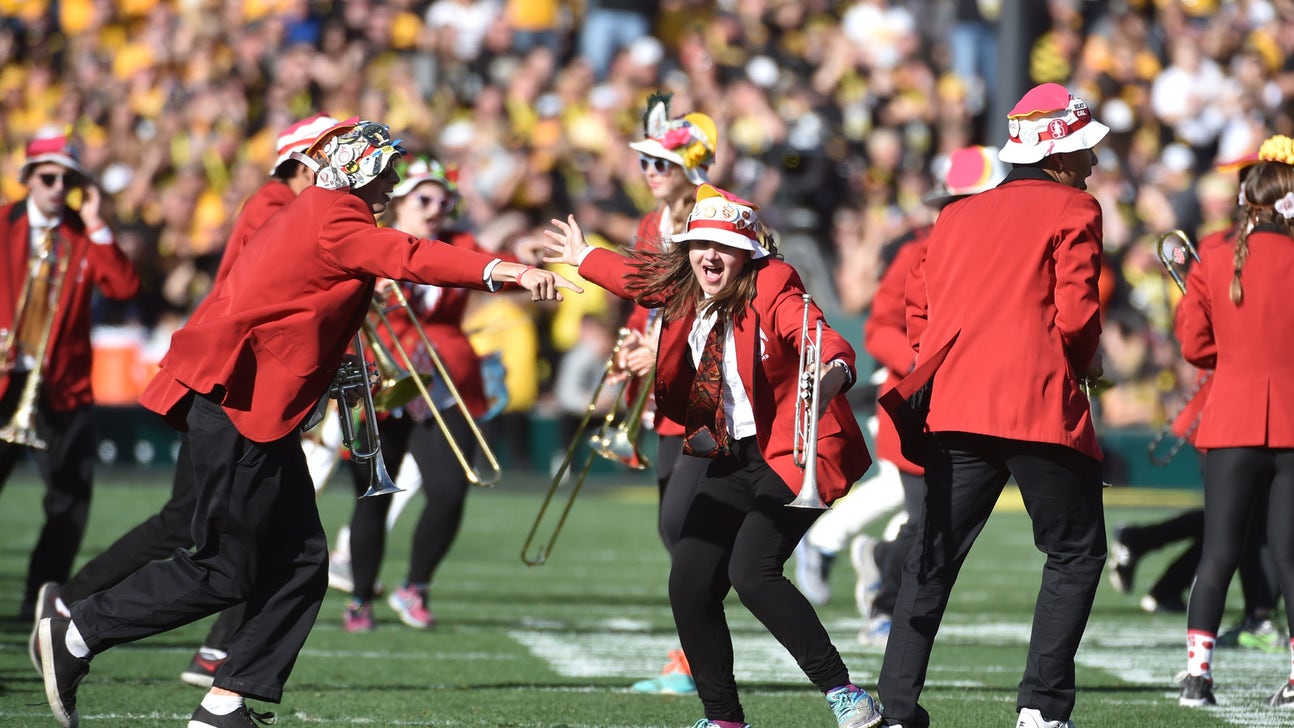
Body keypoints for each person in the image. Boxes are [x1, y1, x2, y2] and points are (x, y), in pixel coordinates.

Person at [37, 119, 579, 728]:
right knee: (224, 568)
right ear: (358, 171)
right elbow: (409, 255)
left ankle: (226, 703)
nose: (395, 184)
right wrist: (509, 271)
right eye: (386, 171)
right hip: (239, 406)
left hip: (250, 408)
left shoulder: (315, 212)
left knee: (300, 563)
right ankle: (78, 631)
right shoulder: (335, 216)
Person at [545, 184, 883, 728]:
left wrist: (832, 376)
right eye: (701, 242)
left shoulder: (773, 283)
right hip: (730, 454)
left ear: (748, 254)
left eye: (724, 245)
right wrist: (583, 255)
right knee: (689, 580)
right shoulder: (682, 284)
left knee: (753, 572)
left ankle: (846, 694)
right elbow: (634, 279)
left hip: (794, 448)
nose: (709, 254)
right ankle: (723, 718)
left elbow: (821, 339)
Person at [27, 112, 339, 689]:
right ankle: (77, 617)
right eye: (336, 151)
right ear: (306, 162)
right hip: (231, 388)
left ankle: (206, 669)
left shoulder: (291, 205)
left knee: (249, 539)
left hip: (238, 388)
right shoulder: (279, 207)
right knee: (222, 546)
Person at [876, 83, 1110, 728]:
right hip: (1038, 403)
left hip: (957, 405)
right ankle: (1041, 707)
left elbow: (921, 315)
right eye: (1085, 152)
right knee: (1076, 552)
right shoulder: (1075, 208)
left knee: (930, 561)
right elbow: (1076, 316)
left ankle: (894, 709)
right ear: (1058, 155)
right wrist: (1088, 364)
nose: (1093, 164)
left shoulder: (954, 217)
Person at [796, 146, 1006, 651]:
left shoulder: (1000, 254)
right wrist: (924, 360)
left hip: (970, 403)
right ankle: (882, 601)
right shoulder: (919, 251)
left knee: (934, 519)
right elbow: (880, 328)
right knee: (925, 516)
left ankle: (875, 563)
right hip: (917, 405)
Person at [338, 155, 539, 632]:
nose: (436, 208)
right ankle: (361, 596)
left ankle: (416, 586)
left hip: (444, 384)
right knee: (373, 495)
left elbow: (495, 271)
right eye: (424, 198)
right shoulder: (369, 241)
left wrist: (529, 263)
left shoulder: (460, 243)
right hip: (383, 380)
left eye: (444, 200)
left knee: (449, 491)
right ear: (400, 201)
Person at [1172, 135, 1294, 710]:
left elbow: (1195, 345)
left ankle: (1198, 676)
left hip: (1232, 420)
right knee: (1289, 553)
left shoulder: (1216, 256)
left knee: (1218, 552)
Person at [0, 127, 140, 621]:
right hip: (5, 379)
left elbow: (122, 285)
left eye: (69, 179)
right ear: (28, 179)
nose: (58, 188)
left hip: (62, 384)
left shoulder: (84, 234)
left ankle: (39, 600)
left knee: (70, 502)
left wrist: (100, 224)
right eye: (48, 177)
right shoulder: (2, 224)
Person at [617, 92, 719, 695]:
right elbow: (643, 301)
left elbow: (715, 307)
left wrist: (655, 348)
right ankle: (696, 650)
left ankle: (692, 658)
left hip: (706, 387)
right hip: (661, 391)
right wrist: (626, 358)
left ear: (690, 165)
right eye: (645, 163)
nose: (651, 173)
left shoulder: (718, 212)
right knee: (671, 528)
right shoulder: (650, 224)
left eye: (660, 162)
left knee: (686, 527)